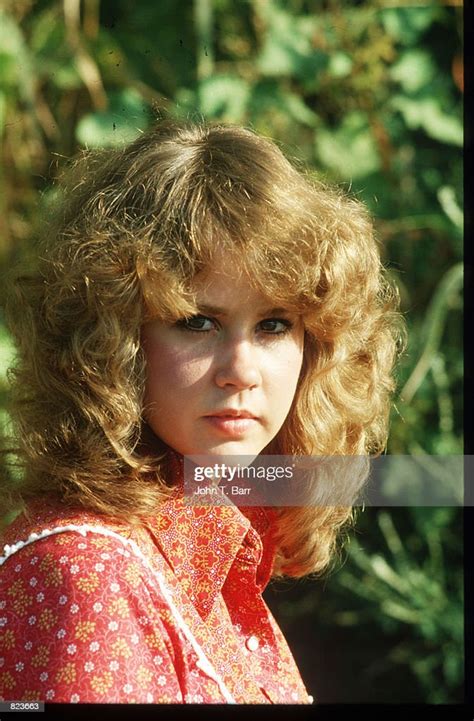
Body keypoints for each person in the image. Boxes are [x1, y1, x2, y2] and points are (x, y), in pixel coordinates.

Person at [0, 119, 403, 704]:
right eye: (197, 322)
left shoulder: (209, 562)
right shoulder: (86, 572)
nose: (241, 370)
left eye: (273, 325)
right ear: (111, 341)